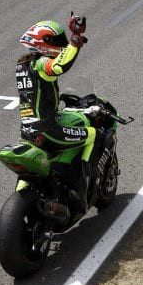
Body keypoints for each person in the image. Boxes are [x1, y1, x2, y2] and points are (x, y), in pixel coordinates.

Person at [17, 16, 93, 214]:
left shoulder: (22, 66)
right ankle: (80, 189)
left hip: (27, 131)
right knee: (91, 134)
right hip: (47, 129)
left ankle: (25, 197)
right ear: (45, 44)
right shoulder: (41, 65)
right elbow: (59, 65)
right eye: (58, 41)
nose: (62, 44)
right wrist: (75, 41)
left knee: (26, 172)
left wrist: (72, 45)